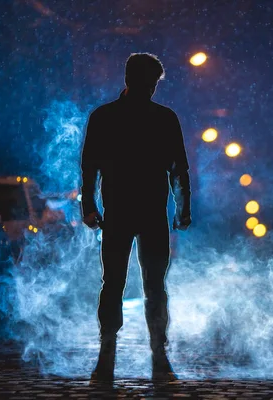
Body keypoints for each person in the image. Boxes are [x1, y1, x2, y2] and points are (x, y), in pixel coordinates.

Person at [80, 52, 192, 383]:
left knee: (116, 284)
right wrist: (183, 209)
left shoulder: (105, 116)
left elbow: (90, 166)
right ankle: (155, 358)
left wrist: (88, 204)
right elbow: (178, 169)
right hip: (148, 212)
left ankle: (110, 358)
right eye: (151, 84)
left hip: (120, 211)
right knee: (150, 286)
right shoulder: (163, 118)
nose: (151, 90)